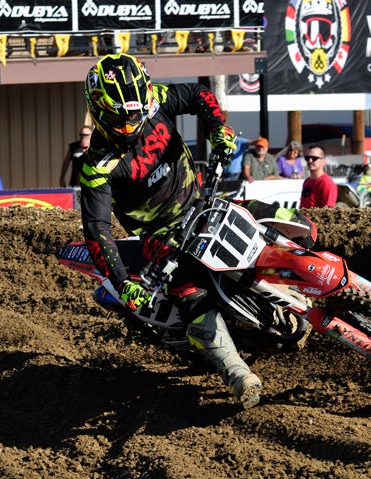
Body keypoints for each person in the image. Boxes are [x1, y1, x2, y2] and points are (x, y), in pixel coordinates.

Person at [79, 53, 316, 409]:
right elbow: (97, 229)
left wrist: (218, 127)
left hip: (205, 202)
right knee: (188, 290)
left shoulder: (154, 99)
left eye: (135, 112)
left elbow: (197, 95)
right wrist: (124, 283)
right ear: (99, 109)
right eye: (121, 116)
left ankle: (327, 291)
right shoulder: (97, 167)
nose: (131, 122)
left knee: (297, 223)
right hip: (161, 236)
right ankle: (235, 370)